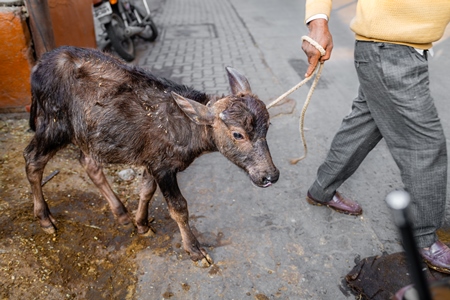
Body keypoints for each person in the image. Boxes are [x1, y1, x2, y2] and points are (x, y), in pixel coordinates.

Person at [302, 0, 450, 274]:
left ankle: (322, 189)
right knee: (425, 146)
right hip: (391, 52)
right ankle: (424, 240)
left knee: (364, 124)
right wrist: (318, 21)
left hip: (395, 51)